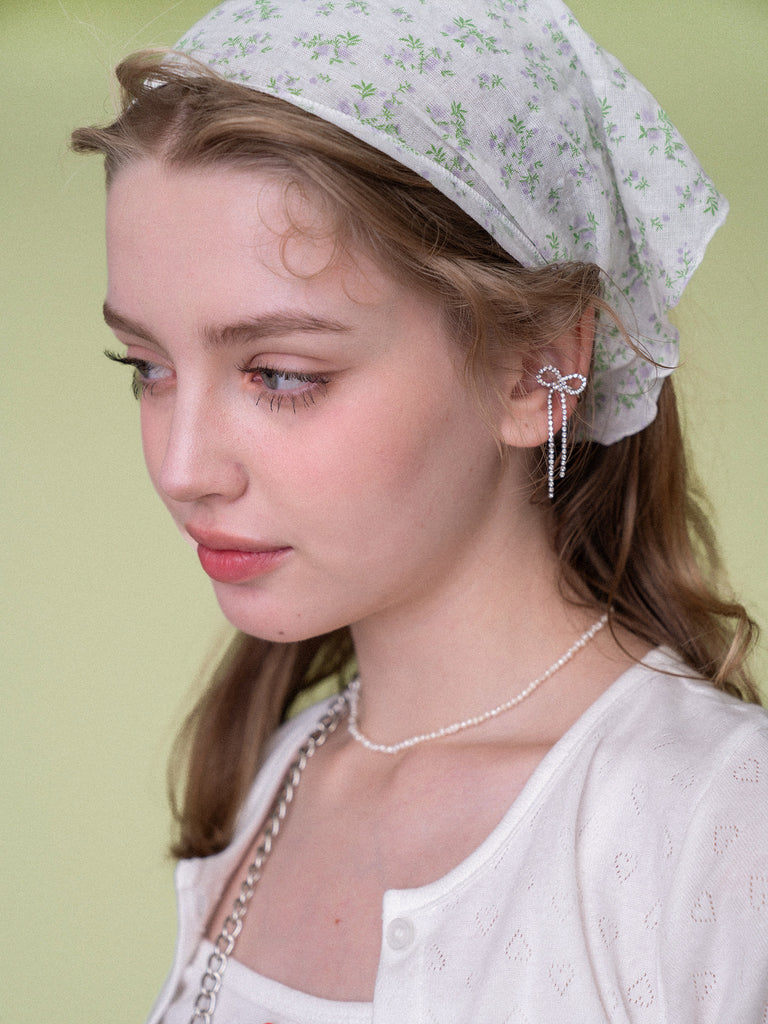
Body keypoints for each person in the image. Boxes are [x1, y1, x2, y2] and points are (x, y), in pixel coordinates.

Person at [72, 1, 768, 1021]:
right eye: (146, 367)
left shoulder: (719, 823)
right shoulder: (273, 776)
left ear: (536, 369)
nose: (182, 469)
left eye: (280, 374)